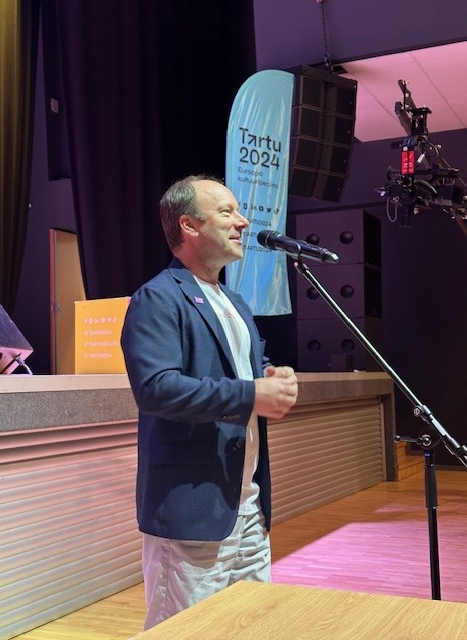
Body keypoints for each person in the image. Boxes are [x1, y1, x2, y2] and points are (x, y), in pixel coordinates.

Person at [121, 174, 298, 629]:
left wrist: (271, 377)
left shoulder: (234, 303)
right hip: (192, 514)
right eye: (226, 212)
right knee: (184, 631)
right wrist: (252, 393)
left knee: (253, 627)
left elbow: (242, 373)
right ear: (189, 225)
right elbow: (156, 388)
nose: (243, 221)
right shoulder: (158, 298)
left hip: (247, 508)